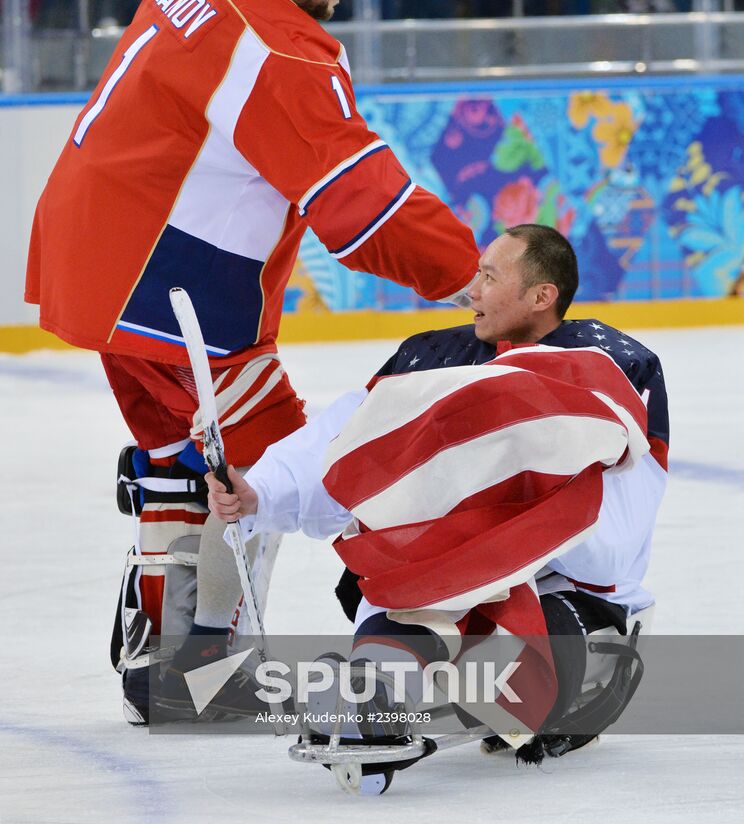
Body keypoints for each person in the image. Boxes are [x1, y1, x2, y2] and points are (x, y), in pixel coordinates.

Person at [25, 0, 479, 725]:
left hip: (90, 267)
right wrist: (469, 268)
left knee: (176, 463)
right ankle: (205, 667)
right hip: (173, 295)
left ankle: (157, 659)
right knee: (261, 473)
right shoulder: (284, 52)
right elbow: (357, 197)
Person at [203, 224, 668, 789]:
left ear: (542, 296)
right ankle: (372, 691)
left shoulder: (612, 360)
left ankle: (588, 676)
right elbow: (348, 436)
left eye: (489, 277)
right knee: (412, 601)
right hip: (433, 568)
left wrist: (506, 546)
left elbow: (621, 499)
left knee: (526, 684)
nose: (471, 289)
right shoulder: (430, 356)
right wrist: (263, 493)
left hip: (558, 579)